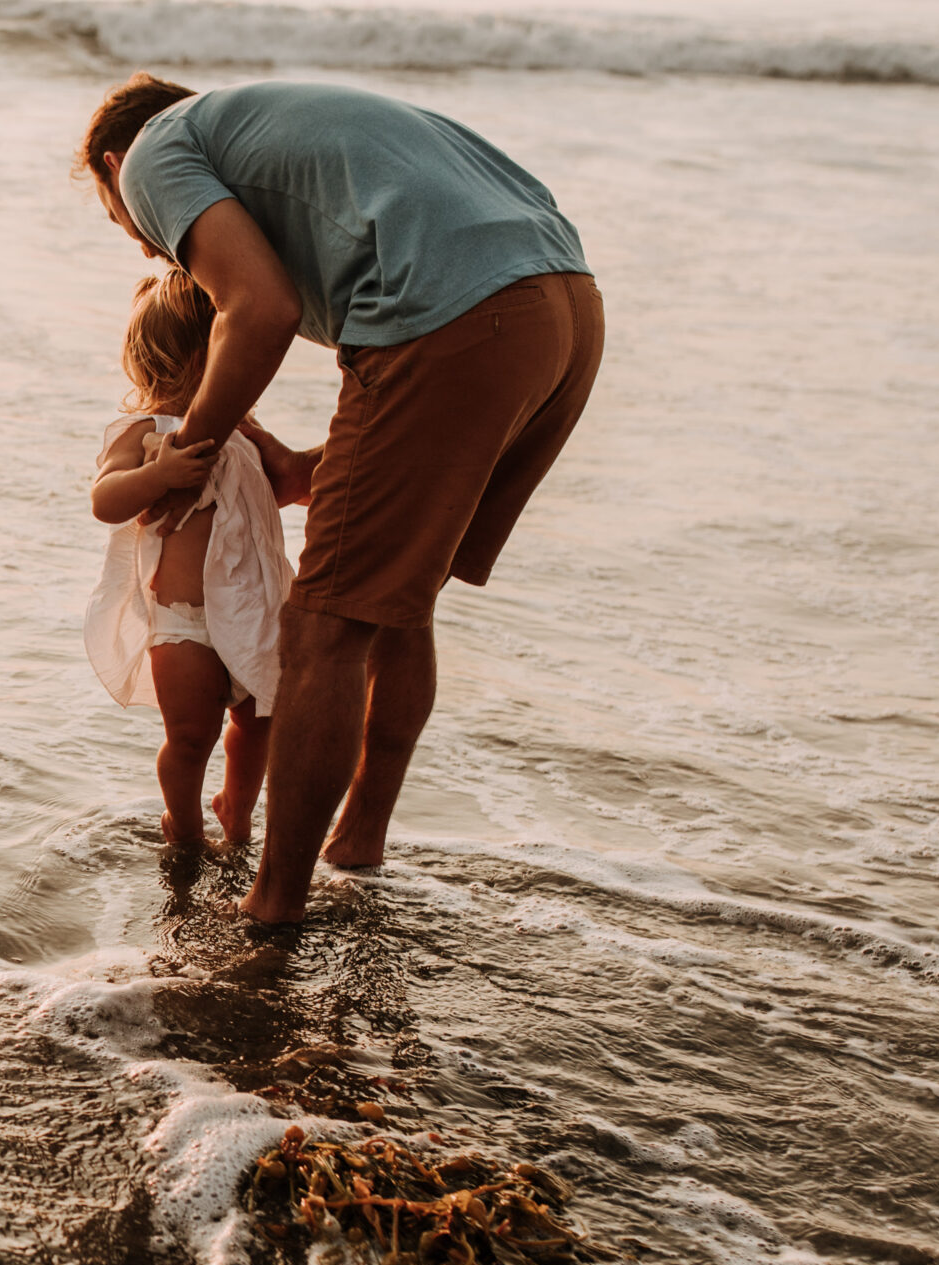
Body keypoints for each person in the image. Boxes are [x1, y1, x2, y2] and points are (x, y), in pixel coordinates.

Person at [77, 76, 604, 922]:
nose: (151, 250)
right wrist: (304, 465)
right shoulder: (272, 123)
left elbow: (260, 308)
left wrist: (190, 446)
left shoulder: (149, 155)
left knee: (324, 623)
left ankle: (275, 905)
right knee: (399, 595)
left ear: (113, 167)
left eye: (124, 224)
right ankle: (359, 842)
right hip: (564, 307)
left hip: (457, 316)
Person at [86, 269, 290, 851]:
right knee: (189, 735)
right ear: (202, 356)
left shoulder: (244, 431)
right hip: (183, 623)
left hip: (252, 611)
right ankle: (185, 824)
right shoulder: (146, 430)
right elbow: (104, 499)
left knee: (258, 725)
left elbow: (274, 490)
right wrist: (157, 474)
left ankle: (238, 809)